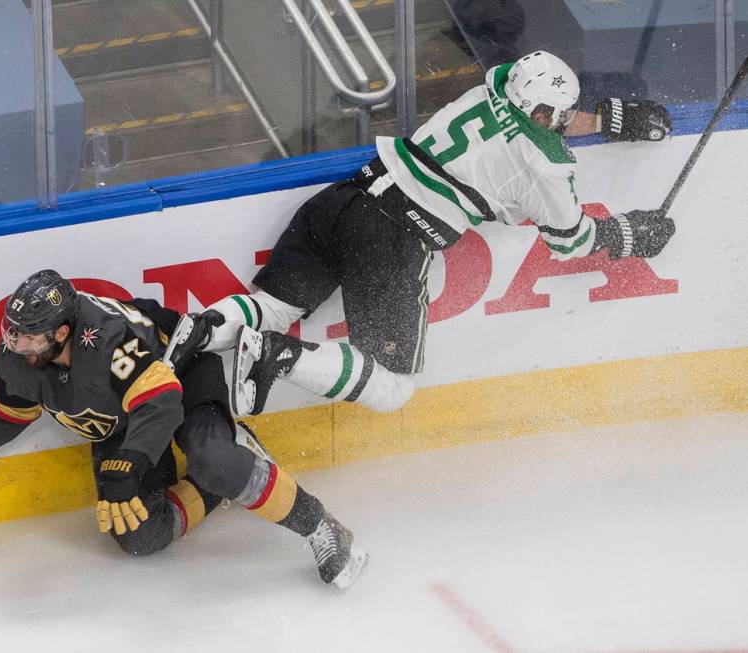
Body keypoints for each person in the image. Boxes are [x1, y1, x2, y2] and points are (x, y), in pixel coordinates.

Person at [163, 50, 676, 417]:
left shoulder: (494, 85)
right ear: (548, 113)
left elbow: (533, 115)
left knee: (273, 305)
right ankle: (279, 355)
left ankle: (204, 328)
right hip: (395, 240)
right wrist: (629, 234)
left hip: (346, 198)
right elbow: (570, 240)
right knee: (392, 388)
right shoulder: (544, 166)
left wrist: (609, 119)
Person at [0, 269, 367, 589]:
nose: (14, 344)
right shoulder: (16, 358)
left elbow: (159, 404)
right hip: (122, 419)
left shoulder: (106, 336)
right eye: (13, 333)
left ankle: (320, 526)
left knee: (213, 458)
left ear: (62, 332)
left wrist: (126, 467)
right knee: (141, 536)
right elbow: (13, 411)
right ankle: (221, 481)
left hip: (177, 381)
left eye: (27, 337)